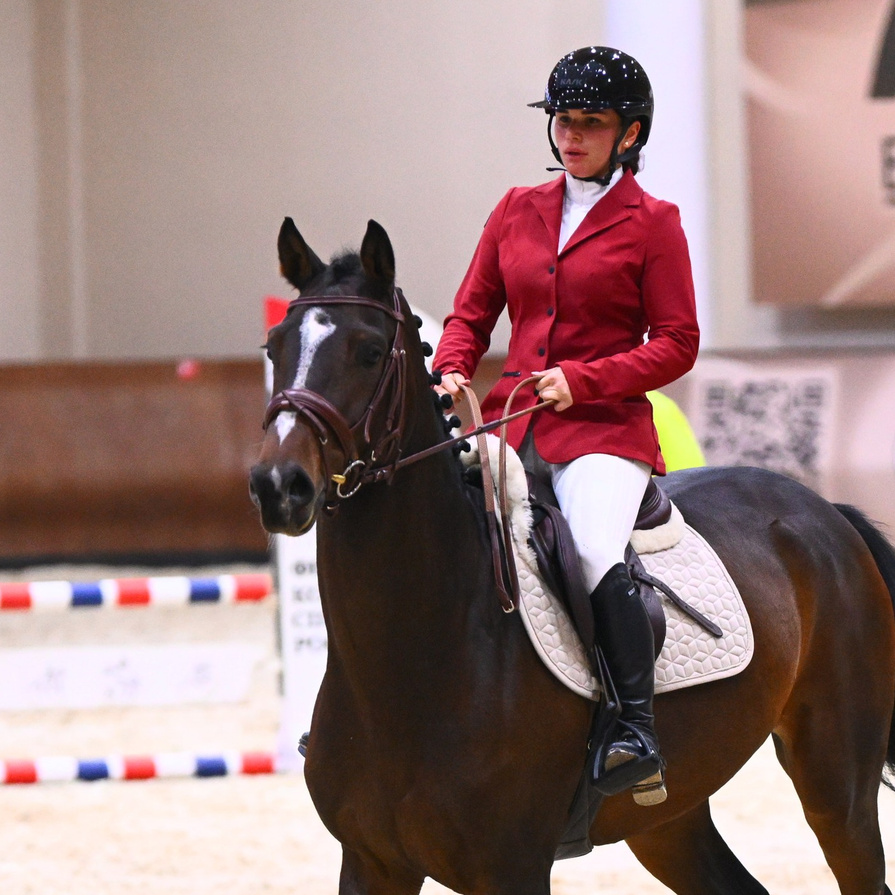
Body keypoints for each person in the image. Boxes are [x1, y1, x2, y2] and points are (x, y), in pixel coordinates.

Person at [433, 46, 700, 806]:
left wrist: (582, 381)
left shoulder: (654, 224)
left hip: (604, 431)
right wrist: (452, 365)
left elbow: (676, 342)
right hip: (512, 420)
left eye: (590, 123)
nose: (570, 136)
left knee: (588, 547)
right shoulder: (516, 207)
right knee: (434, 528)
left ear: (629, 133)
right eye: (562, 120)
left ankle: (633, 728)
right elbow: (471, 312)